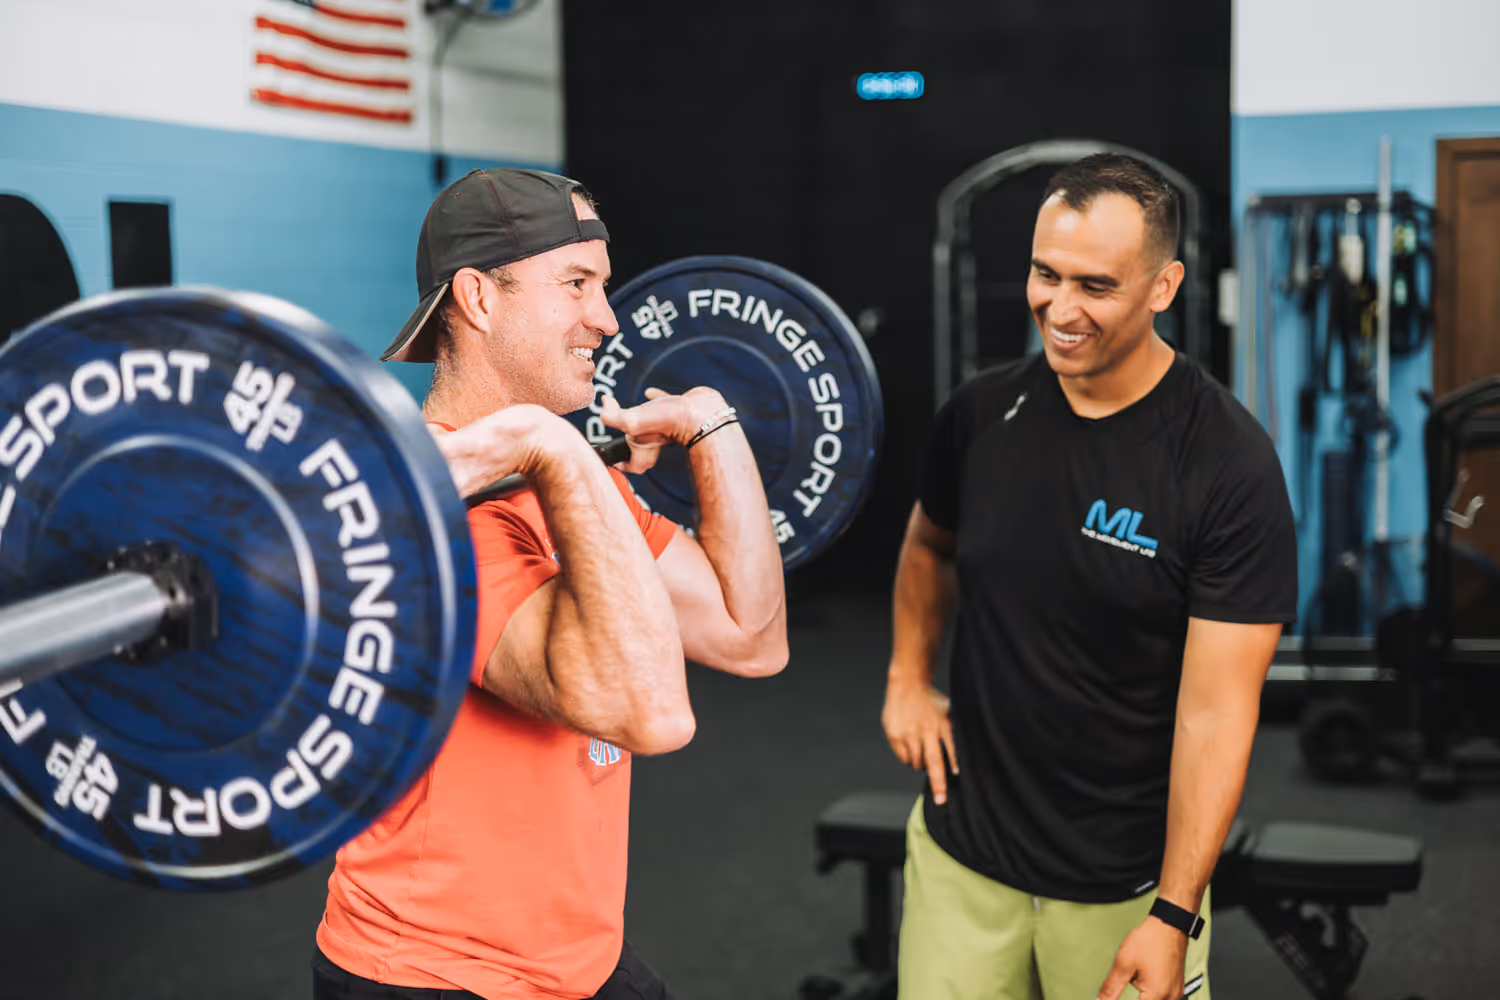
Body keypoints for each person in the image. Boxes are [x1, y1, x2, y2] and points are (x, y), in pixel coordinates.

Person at [312, 168, 788, 1000]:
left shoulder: (570, 479)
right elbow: (649, 712)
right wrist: (548, 441)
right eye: (575, 284)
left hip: (578, 961)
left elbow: (750, 639)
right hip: (437, 972)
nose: (605, 319)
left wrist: (710, 422)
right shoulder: (427, 515)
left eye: (601, 288)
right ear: (479, 298)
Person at [881, 153, 1297, 1000]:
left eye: (1096, 287)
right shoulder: (982, 412)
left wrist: (1176, 915)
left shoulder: (1226, 464)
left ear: (1164, 286)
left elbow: (1218, 712)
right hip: (965, 861)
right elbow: (929, 544)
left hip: (1126, 886)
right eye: (1044, 274)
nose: (1059, 310)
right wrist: (906, 676)